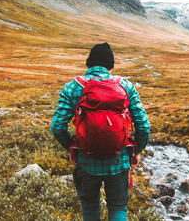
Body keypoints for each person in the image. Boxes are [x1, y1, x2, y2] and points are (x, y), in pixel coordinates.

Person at [51, 42, 150, 221]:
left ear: (89, 64)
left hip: (86, 162)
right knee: (118, 207)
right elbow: (143, 125)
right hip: (119, 161)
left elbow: (57, 126)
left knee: (89, 207)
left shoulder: (74, 87)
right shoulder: (125, 86)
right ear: (110, 65)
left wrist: (72, 148)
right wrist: (136, 150)